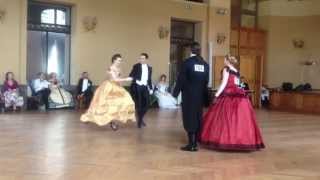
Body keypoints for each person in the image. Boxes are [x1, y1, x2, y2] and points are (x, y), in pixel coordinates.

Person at [200, 55, 265, 151]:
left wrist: (217, 94)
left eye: (225, 60)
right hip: (238, 93)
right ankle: (240, 140)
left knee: (224, 118)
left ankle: (225, 140)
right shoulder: (236, 70)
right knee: (238, 118)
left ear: (227, 61)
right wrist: (242, 91)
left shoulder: (226, 69)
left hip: (228, 94)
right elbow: (238, 84)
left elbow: (224, 83)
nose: (224, 61)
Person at [81, 54, 135, 130]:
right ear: (114, 60)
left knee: (127, 100)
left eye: (121, 60)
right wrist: (126, 79)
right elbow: (114, 79)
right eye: (119, 60)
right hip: (109, 87)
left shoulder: (119, 68)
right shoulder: (110, 68)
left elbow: (119, 79)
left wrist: (121, 86)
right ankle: (93, 118)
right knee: (104, 105)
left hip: (117, 87)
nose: (120, 61)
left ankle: (113, 120)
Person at [173, 42, 209, 152]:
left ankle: (192, 144)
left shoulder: (187, 63)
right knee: (198, 117)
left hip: (189, 96)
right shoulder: (205, 64)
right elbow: (206, 81)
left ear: (191, 51)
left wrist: (175, 93)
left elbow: (181, 79)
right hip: (200, 96)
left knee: (189, 117)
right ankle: (197, 140)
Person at [129, 53, 153, 128]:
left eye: (143, 58)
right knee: (139, 105)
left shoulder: (149, 68)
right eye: (140, 58)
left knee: (147, 104)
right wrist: (136, 78)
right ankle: (139, 122)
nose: (141, 60)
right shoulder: (136, 66)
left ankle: (140, 118)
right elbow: (131, 75)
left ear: (146, 59)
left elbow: (149, 79)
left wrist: (151, 88)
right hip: (137, 86)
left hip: (145, 86)